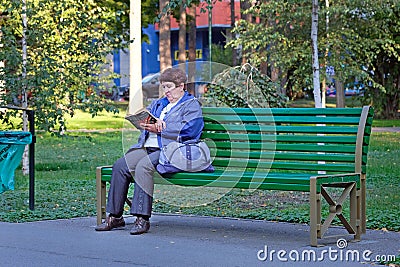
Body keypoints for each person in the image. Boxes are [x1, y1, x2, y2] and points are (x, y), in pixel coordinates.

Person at [95, 67, 204, 235]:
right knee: (120, 166)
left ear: (181, 86)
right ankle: (115, 217)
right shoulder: (160, 103)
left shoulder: (191, 105)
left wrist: (162, 128)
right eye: (164, 87)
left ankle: (142, 219)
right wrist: (143, 124)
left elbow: (191, 130)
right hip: (148, 147)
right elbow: (149, 124)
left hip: (171, 150)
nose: (166, 91)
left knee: (143, 167)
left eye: (169, 87)